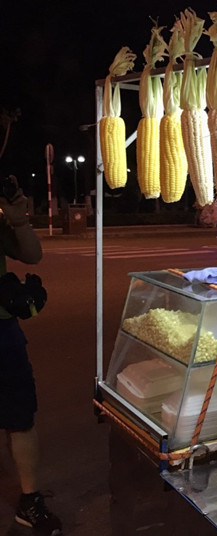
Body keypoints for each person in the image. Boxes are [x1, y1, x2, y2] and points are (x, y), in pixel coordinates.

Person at [0, 175, 62, 534]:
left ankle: (29, 499)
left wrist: (18, 220)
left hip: (3, 331)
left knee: (20, 416)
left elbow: (31, 255)